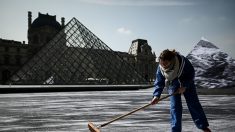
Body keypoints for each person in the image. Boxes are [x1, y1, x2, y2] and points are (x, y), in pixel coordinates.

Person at [150, 49, 211, 132]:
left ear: (171, 61)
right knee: (175, 107)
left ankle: (203, 126)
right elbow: (159, 82)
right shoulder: (160, 66)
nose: (163, 66)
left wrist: (185, 86)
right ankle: (176, 130)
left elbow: (191, 74)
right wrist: (156, 96)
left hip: (187, 81)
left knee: (193, 103)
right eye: (161, 63)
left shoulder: (183, 61)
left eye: (166, 64)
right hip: (172, 83)